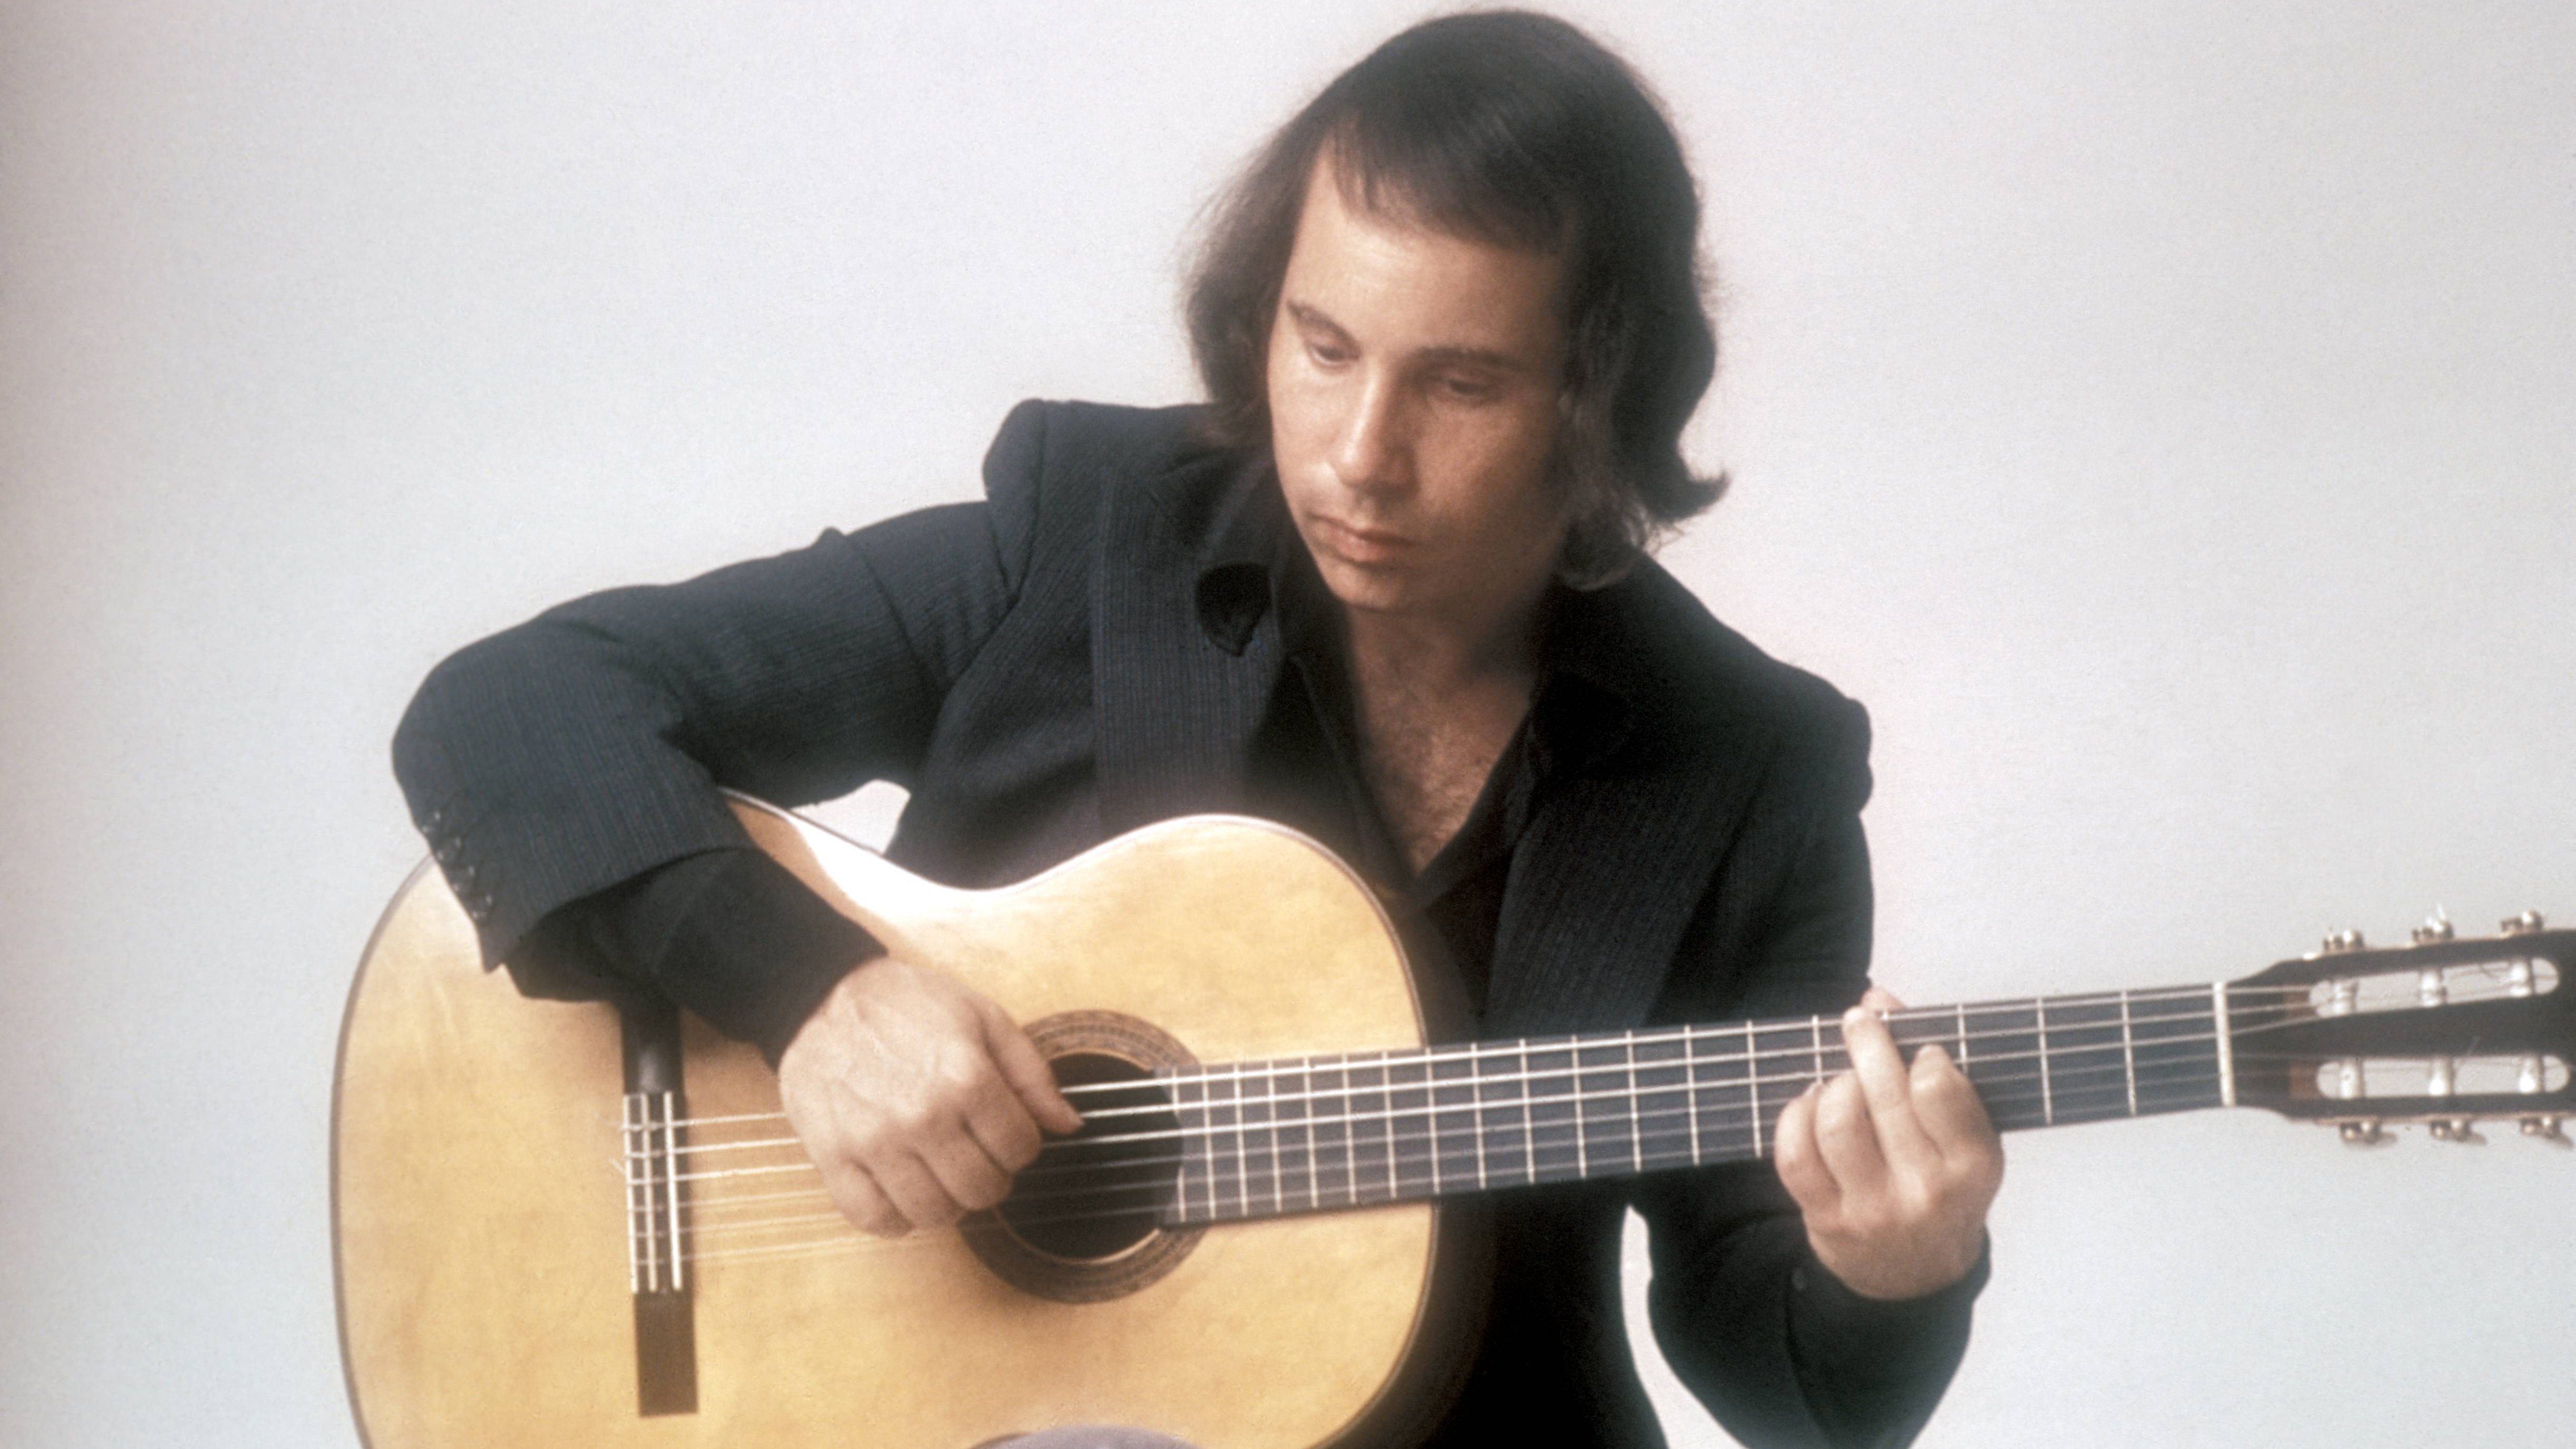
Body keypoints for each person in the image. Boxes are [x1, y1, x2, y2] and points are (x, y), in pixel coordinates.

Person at [393, 11, 2002, 1447]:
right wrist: (806, 991)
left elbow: (1784, 1384)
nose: (1358, 454)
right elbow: (511, 711)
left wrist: (1893, 1270)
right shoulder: (1083, 542)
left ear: (1602, 398)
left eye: (1460, 385)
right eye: (1324, 347)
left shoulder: (1746, 765)